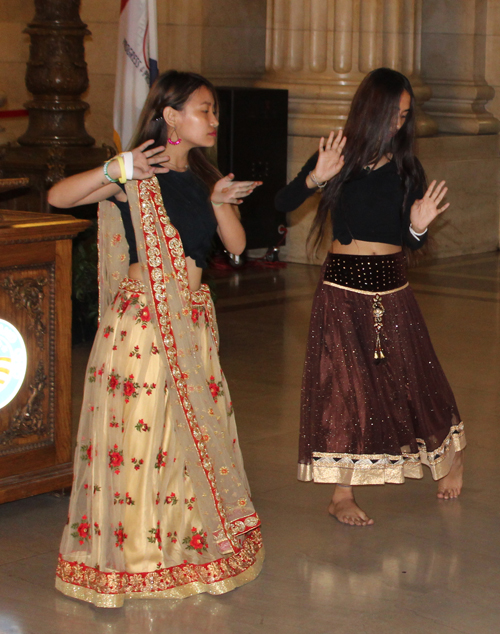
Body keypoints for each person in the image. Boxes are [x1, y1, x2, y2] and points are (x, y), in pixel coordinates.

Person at [49, 70, 264, 607]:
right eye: (204, 110)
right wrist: (114, 168)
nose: (214, 120)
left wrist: (219, 199)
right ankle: (137, 558)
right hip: (143, 326)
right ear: (171, 115)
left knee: (185, 441)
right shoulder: (138, 172)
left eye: (214, 111)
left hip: (190, 322)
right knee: (142, 443)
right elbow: (58, 197)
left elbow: (236, 243)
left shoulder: (203, 176)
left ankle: (182, 547)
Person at [275, 67, 466, 526]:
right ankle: (342, 493)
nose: (399, 125)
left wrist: (418, 225)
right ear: (371, 110)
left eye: (405, 117)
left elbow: (409, 238)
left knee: (415, 381)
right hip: (341, 287)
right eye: (393, 115)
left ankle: (450, 457)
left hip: (392, 287)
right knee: (346, 389)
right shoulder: (335, 154)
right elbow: (283, 204)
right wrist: (315, 180)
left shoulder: (406, 169)